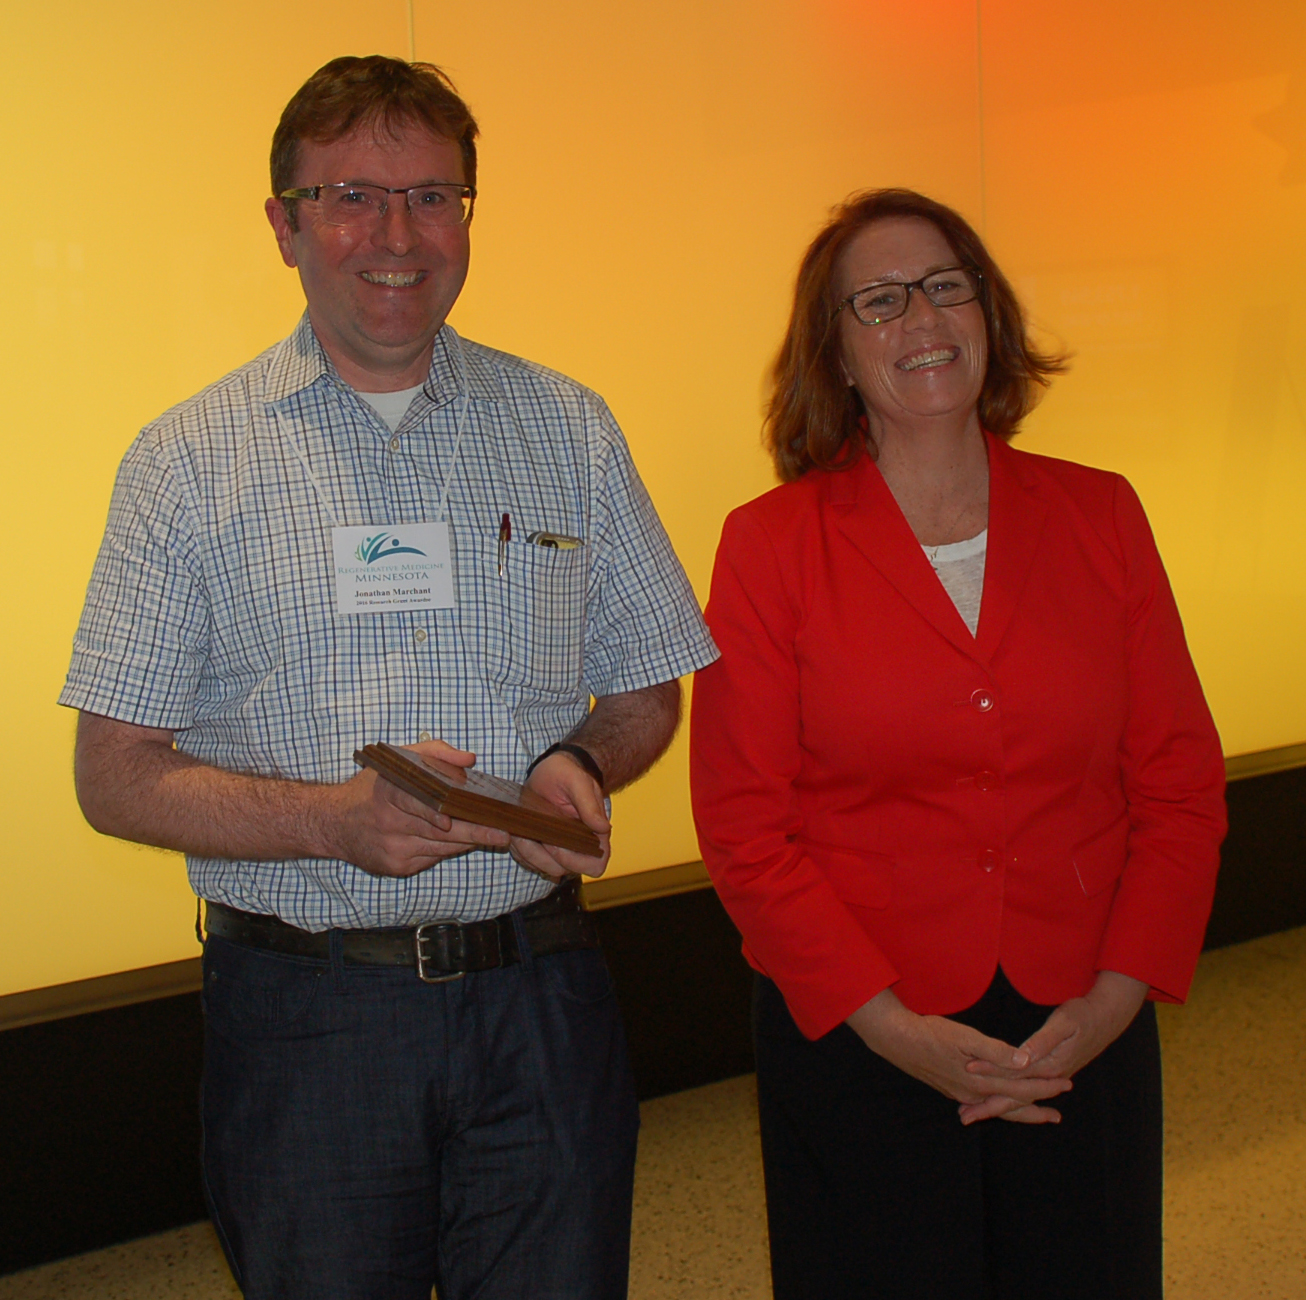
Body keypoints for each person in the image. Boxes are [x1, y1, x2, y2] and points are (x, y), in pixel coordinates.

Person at [61, 55, 716, 1300]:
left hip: (541, 999)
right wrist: (328, 820)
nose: (397, 234)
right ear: (285, 226)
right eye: (353, 194)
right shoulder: (186, 463)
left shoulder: (567, 426)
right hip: (309, 1017)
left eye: (435, 196)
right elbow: (115, 776)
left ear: (469, 216)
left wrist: (579, 761)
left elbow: (644, 687)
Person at [689, 188, 1226, 1299]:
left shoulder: (1101, 516)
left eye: (945, 287)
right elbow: (745, 828)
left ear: (989, 313)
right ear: (832, 351)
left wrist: (1114, 1002)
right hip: (861, 1031)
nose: (920, 320)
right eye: (877, 302)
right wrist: (894, 1029)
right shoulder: (769, 546)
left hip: (1078, 1024)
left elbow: (1177, 782)